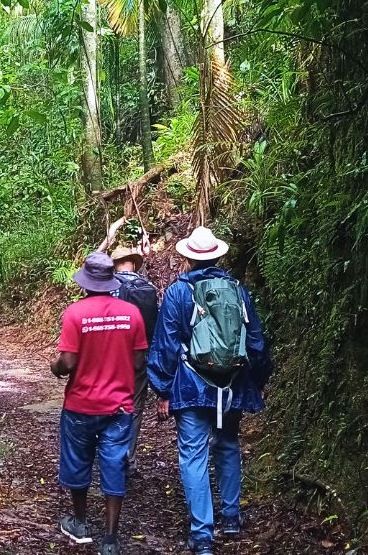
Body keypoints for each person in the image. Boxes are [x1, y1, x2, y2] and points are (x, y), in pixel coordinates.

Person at [147, 227, 273, 555]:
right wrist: (254, 383)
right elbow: (256, 342)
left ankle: (202, 534)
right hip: (232, 384)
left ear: (188, 257)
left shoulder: (178, 293)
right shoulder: (237, 290)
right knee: (228, 445)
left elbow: (166, 344)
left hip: (191, 385)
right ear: (218, 255)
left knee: (193, 454)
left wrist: (162, 389)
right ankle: (231, 518)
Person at [52, 252, 148, 555]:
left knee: (78, 462)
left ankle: (80, 523)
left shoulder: (75, 314)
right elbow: (138, 360)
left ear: (86, 283)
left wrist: (55, 368)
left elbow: (68, 361)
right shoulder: (131, 313)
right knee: (114, 463)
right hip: (119, 406)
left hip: (81, 404)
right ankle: (110, 537)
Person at [108, 245, 158, 475]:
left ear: (114, 264)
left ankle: (109, 453)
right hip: (139, 356)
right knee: (134, 406)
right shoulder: (148, 288)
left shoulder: (106, 288)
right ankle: (129, 457)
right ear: (135, 264)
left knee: (107, 402)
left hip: (109, 357)